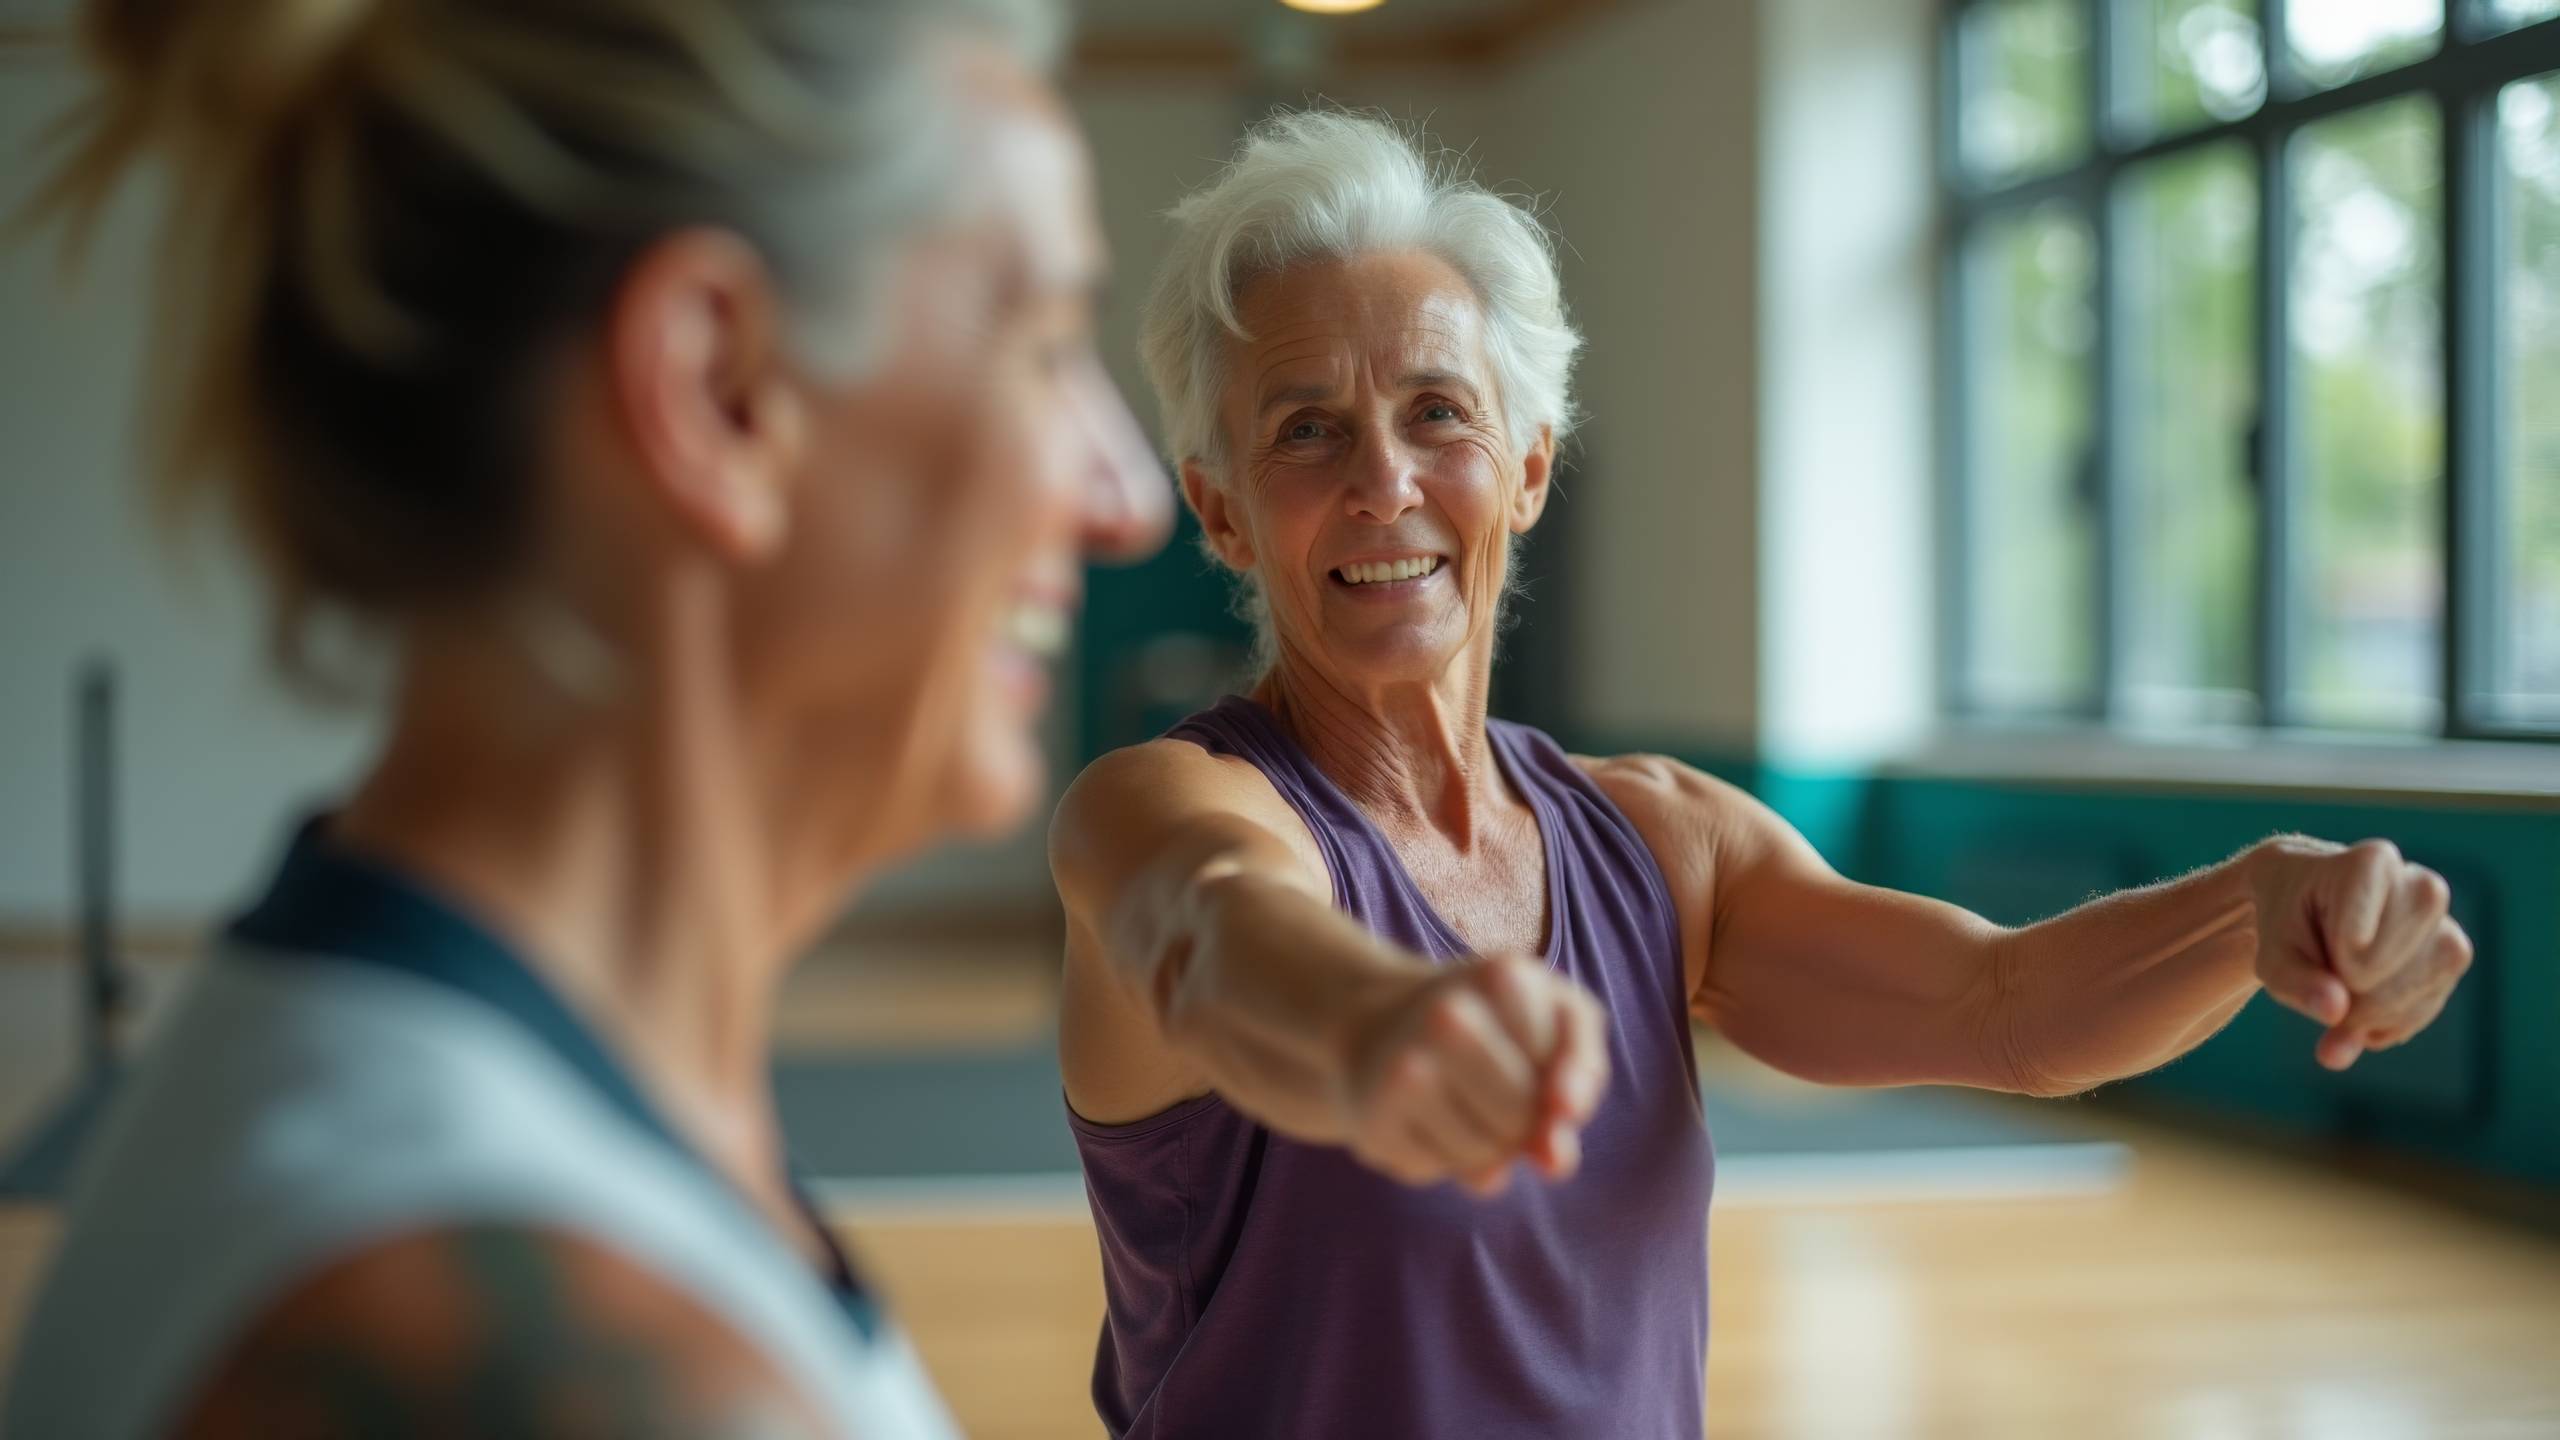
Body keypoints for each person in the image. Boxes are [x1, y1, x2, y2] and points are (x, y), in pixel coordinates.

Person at [1047, 109, 2476, 1439]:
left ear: (1530, 468)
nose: (1385, 479)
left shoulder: (1664, 845)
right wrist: (1376, 1030)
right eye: (1307, 429)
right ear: (1222, 511)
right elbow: (1211, 925)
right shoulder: (1168, 810)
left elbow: (2005, 1007)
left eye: (1438, 411)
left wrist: (2252, 905)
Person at [2, 0, 1168, 1435]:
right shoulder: (553, 1360)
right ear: (717, 387)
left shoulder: (417, 1095)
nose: (1127, 495)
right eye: (1049, 345)